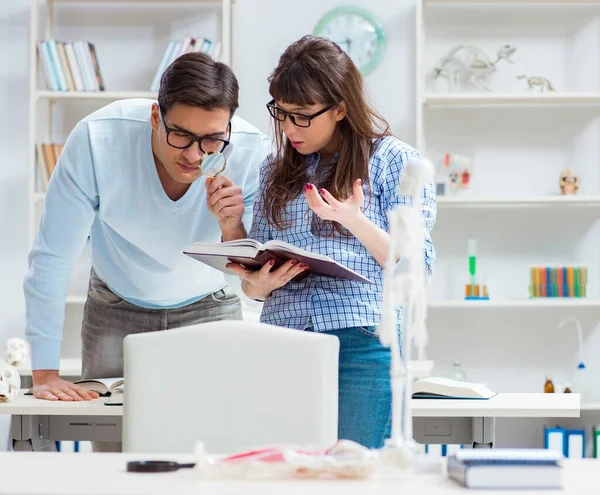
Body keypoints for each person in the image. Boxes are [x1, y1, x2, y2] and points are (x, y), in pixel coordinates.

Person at [23, 52, 271, 405]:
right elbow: (52, 258)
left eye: (212, 139)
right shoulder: (97, 138)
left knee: (214, 439)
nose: (194, 155)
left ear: (229, 127)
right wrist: (45, 373)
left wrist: (232, 226)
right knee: (110, 442)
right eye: (181, 135)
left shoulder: (253, 150)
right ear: (156, 117)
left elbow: (252, 277)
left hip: (210, 307)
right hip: (114, 307)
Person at [226, 35, 436, 449]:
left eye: (302, 116)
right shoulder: (273, 170)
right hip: (283, 342)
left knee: (353, 474)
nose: (288, 128)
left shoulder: (395, 160)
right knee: (284, 476)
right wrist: (258, 280)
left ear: (340, 108)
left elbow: (417, 265)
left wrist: (353, 220)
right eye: (281, 114)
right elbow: (253, 287)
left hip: (361, 343)